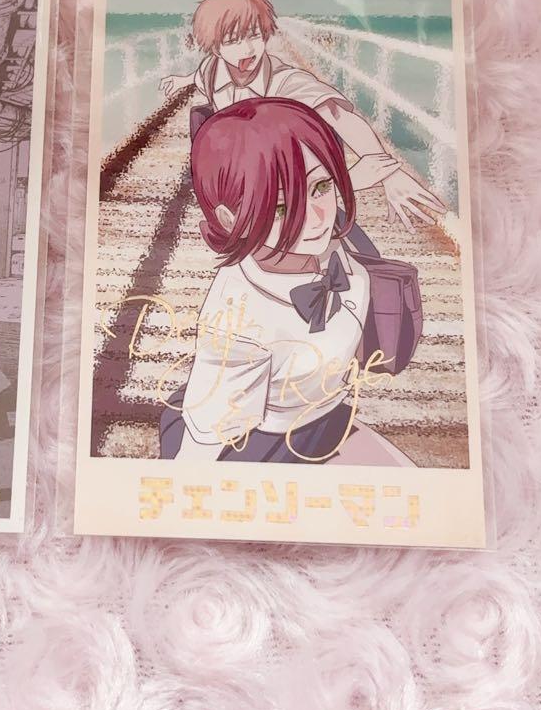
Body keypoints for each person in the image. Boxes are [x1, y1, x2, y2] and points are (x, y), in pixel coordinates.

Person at [161, 97, 415, 467]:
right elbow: (204, 442)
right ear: (230, 220)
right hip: (262, 447)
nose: (316, 218)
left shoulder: (327, 243)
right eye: (281, 208)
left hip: (326, 416)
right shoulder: (237, 321)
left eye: (321, 187)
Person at [158, 0, 446, 231]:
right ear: (216, 48)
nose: (247, 50)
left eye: (254, 36)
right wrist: (182, 80)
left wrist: (390, 173)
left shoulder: (285, 82)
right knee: (201, 119)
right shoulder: (214, 69)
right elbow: (200, 74)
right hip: (238, 174)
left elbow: (339, 116)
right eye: (233, 41)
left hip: (278, 172)